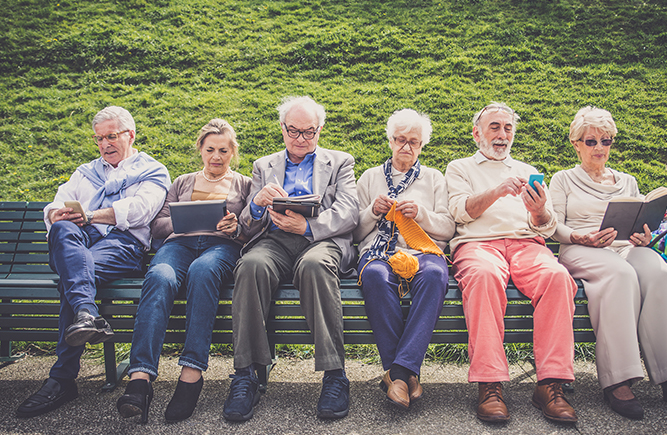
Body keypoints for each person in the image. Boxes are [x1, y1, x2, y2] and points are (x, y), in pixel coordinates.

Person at [548, 106, 667, 422]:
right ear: (576, 143)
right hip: (580, 247)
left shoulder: (627, 180)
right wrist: (582, 236)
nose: (599, 148)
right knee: (621, 275)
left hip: (624, 246)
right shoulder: (563, 179)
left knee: (661, 275)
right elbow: (553, 227)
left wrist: (644, 235)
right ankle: (619, 378)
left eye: (606, 140)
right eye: (591, 142)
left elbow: (642, 221)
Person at [16, 106, 171, 418]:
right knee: (62, 231)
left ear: (131, 134)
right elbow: (58, 200)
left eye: (111, 136)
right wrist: (55, 213)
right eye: (99, 139)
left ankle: (61, 379)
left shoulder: (153, 171)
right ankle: (87, 314)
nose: (104, 145)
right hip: (79, 241)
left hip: (122, 244)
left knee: (74, 277)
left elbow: (139, 210)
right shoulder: (85, 172)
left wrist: (89, 215)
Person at [223, 96, 359, 421]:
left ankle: (334, 374)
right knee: (250, 266)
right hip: (276, 240)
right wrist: (256, 204)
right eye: (294, 131)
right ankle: (247, 374)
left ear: (320, 129)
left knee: (314, 267)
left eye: (309, 132)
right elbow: (247, 224)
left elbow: (349, 211)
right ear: (282, 129)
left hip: (320, 239)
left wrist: (308, 225)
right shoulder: (263, 165)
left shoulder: (340, 162)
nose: (301, 139)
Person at [445, 102, 578, 424]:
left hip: (525, 243)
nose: (502, 135)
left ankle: (550, 384)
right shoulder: (460, 167)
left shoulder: (526, 169)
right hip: (478, 244)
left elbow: (546, 227)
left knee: (557, 277)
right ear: (477, 133)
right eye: (494, 127)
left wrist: (540, 210)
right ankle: (490, 384)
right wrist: (496, 191)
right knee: (483, 277)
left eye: (507, 128)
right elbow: (460, 213)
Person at [115, 119, 253, 423]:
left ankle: (191, 374)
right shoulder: (182, 182)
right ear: (200, 150)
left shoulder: (244, 183)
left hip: (220, 246)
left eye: (223, 150)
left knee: (203, 272)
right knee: (159, 276)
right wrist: (183, 220)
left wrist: (235, 227)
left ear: (233, 152)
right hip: (179, 244)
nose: (216, 157)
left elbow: (250, 230)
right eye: (210, 150)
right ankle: (140, 380)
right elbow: (158, 226)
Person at [353, 109, 455, 410]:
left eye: (414, 142)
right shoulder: (370, 177)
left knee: (436, 276)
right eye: (401, 140)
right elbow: (355, 232)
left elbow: (447, 228)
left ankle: (397, 374)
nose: (406, 147)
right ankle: (407, 375)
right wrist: (373, 211)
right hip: (378, 251)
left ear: (422, 146)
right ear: (390, 141)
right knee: (374, 276)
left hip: (422, 250)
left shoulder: (434, 178)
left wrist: (421, 214)